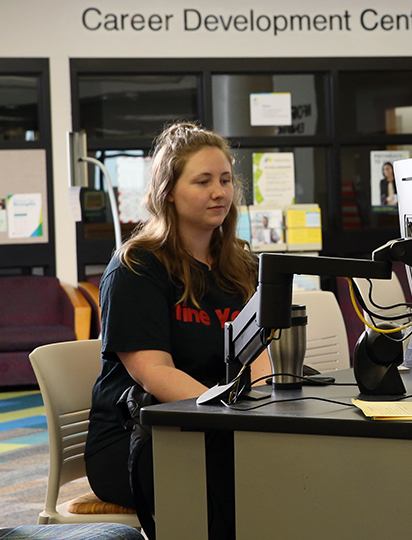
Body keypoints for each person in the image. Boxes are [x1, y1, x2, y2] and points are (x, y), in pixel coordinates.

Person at [84, 122, 271, 539]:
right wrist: (232, 419)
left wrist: (265, 416)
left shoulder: (241, 267)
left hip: (219, 426)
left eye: (224, 180)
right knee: (245, 484)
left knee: (295, 464)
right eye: (202, 181)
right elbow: (154, 373)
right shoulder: (136, 266)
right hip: (139, 437)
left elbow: (259, 361)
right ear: (169, 190)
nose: (219, 192)